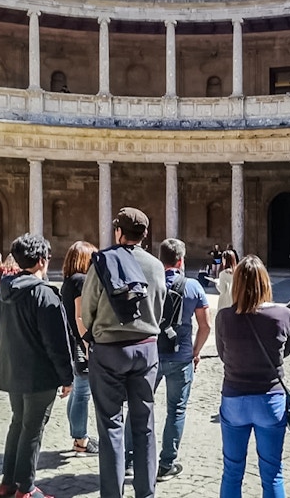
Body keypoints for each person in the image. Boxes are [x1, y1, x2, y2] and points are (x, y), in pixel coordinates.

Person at [82, 207, 167, 498]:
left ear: (119, 232)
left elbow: (87, 308)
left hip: (108, 350)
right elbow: (160, 306)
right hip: (146, 349)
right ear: (144, 235)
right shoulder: (156, 266)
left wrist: (94, 333)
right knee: (144, 426)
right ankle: (146, 493)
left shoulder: (104, 261)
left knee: (111, 428)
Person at [0, 233, 74, 498]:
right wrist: (67, 376)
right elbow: (57, 342)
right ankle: (25, 488)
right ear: (41, 260)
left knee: (17, 424)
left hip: (13, 370)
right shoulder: (45, 295)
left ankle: (7, 483)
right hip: (39, 375)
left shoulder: (6, 290)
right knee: (32, 430)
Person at [215, 255, 290, 498]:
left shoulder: (224, 317)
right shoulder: (283, 315)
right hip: (270, 398)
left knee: (232, 471)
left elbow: (222, 354)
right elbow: (287, 350)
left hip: (235, 398)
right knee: (272, 473)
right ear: (265, 283)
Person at [153, 238, 211, 482]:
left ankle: (129, 460)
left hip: (151, 356)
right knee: (176, 410)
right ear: (181, 260)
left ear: (160, 258)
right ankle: (166, 463)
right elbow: (206, 325)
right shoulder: (193, 287)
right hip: (182, 354)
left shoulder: (150, 283)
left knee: (140, 407)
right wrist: (195, 351)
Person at [61, 240, 99, 456]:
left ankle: (78, 435)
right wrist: (87, 345)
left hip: (72, 341)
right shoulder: (81, 281)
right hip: (80, 343)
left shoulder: (69, 281)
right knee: (83, 393)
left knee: (77, 391)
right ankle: (81, 439)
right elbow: (80, 316)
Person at [212, 250, 237, 323]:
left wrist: (217, 283)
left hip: (226, 301)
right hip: (235, 299)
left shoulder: (223, 273)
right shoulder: (238, 272)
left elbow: (222, 289)